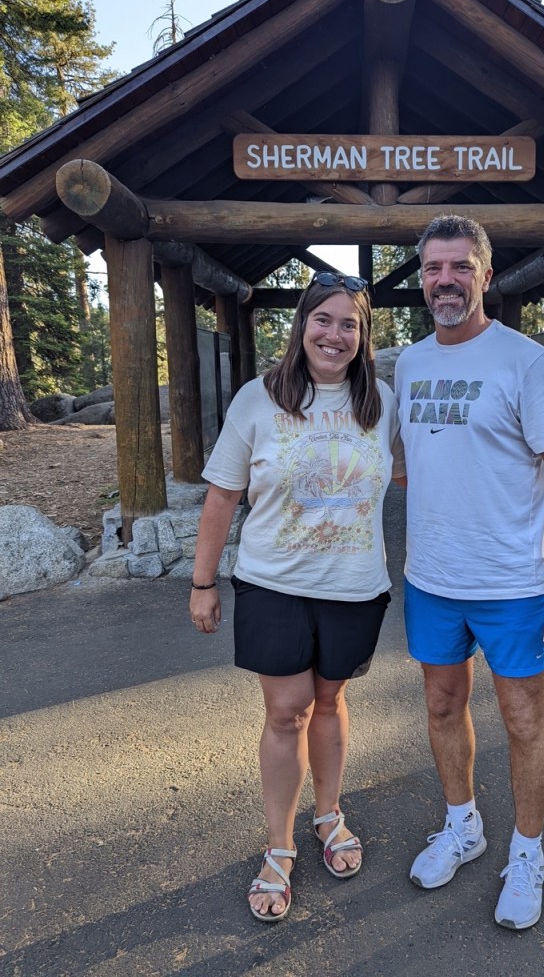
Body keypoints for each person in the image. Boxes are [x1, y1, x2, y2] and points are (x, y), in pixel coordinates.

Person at [394, 214, 544, 930]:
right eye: (431, 269)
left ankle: (528, 851)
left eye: (458, 267)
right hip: (432, 579)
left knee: (522, 720)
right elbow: (402, 464)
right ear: (421, 278)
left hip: (514, 584)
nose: (443, 280)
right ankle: (463, 826)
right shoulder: (410, 364)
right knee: (443, 707)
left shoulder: (526, 364)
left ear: (484, 273)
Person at [190, 271, 405, 923]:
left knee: (330, 700)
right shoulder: (260, 399)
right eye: (323, 319)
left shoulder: (381, 403)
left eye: (349, 324)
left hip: (352, 585)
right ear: (302, 325)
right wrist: (202, 583)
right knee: (286, 711)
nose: (334, 334)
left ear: (362, 336)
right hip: (272, 582)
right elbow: (222, 496)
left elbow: (417, 469)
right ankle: (279, 845)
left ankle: (328, 815)